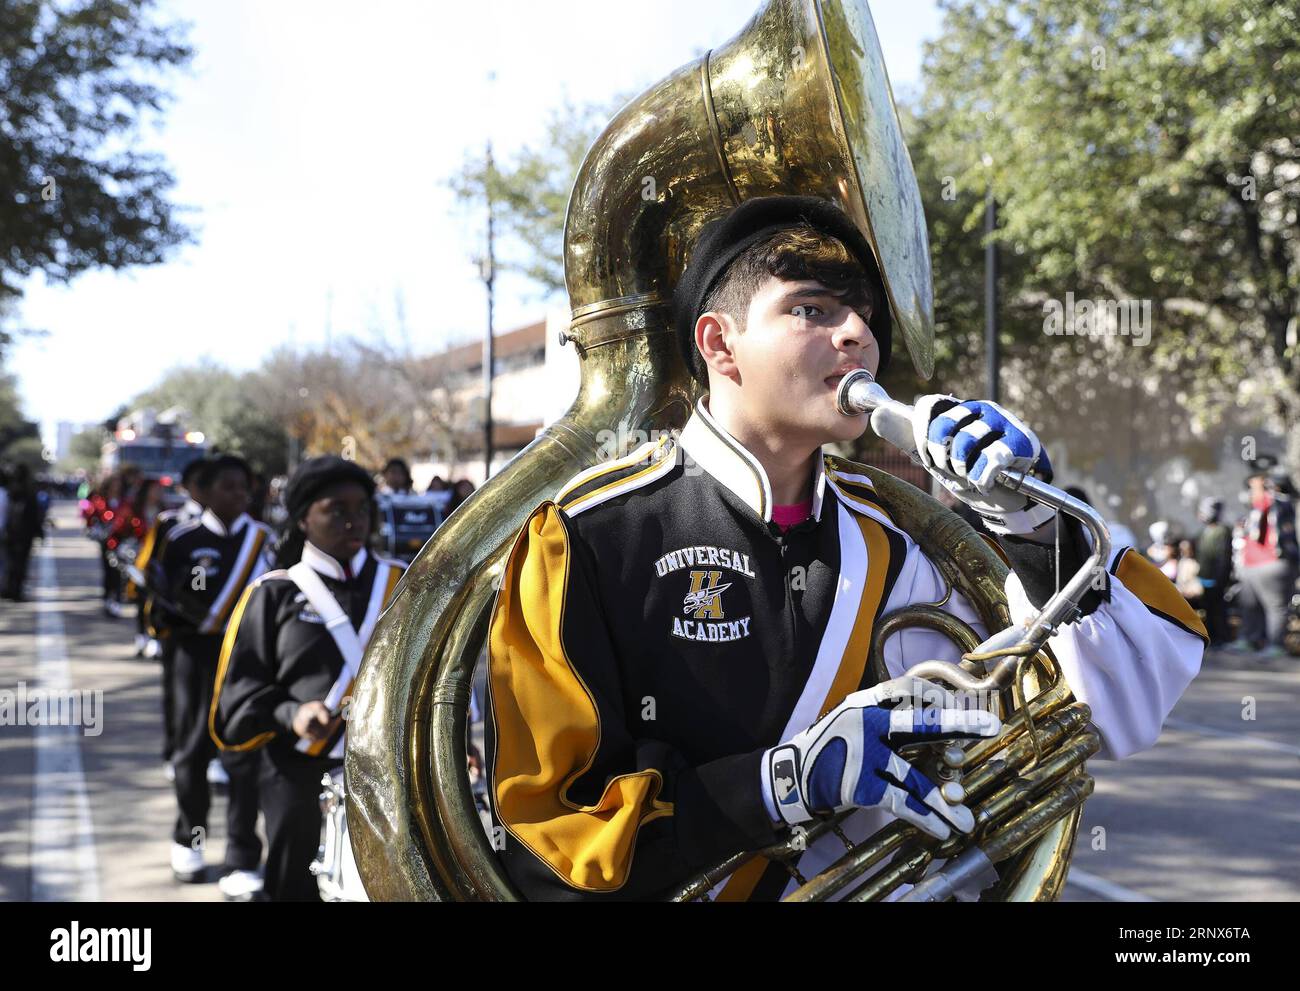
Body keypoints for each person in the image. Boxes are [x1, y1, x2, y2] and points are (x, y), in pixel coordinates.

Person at [483, 196, 1205, 901]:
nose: (858, 332)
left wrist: (1033, 524)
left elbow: (1113, 708)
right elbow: (549, 849)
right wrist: (777, 785)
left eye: (863, 315)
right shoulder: (585, 537)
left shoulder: (901, 543)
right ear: (718, 343)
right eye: (811, 309)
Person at [211, 456, 406, 901]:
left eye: (361, 508)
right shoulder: (275, 592)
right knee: (295, 888)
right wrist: (292, 712)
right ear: (303, 518)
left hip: (386, 772)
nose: (353, 520)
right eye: (335, 509)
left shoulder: (403, 582)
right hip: (297, 773)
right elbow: (237, 694)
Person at [153, 454, 274, 897]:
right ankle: (191, 838)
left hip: (247, 661)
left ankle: (243, 856)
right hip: (195, 657)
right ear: (204, 491)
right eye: (228, 487)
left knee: (245, 756)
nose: (239, 496)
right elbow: (158, 601)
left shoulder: (264, 540)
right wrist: (188, 608)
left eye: (244, 488)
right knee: (191, 754)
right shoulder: (181, 538)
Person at [133, 457, 208, 768]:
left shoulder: (245, 530)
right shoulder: (171, 523)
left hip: (222, 634)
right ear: (188, 487)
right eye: (204, 484)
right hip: (181, 628)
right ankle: (175, 750)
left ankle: (208, 756)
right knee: (178, 694)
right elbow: (150, 571)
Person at [1229, 463, 1300, 656]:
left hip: (1273, 563)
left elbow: (1269, 503)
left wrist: (1261, 486)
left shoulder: (1279, 502)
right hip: (1251, 565)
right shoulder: (1255, 508)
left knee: (1275, 606)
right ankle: (1249, 640)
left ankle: (1275, 645)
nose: (1251, 488)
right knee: (1249, 605)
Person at [2, 465, 42, 602]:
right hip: (23, 535)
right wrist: (39, 531)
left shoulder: (9, 492)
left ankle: (9, 589)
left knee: (11, 562)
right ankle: (15, 590)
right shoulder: (29, 492)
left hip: (11, 533)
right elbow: (34, 515)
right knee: (20, 563)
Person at [1195, 497, 1232, 646]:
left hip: (1216, 579)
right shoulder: (1204, 532)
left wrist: (1220, 578)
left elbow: (1223, 557)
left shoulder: (1222, 531)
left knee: (1218, 610)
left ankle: (1221, 637)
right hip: (1205, 578)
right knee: (1208, 609)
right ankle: (1211, 636)